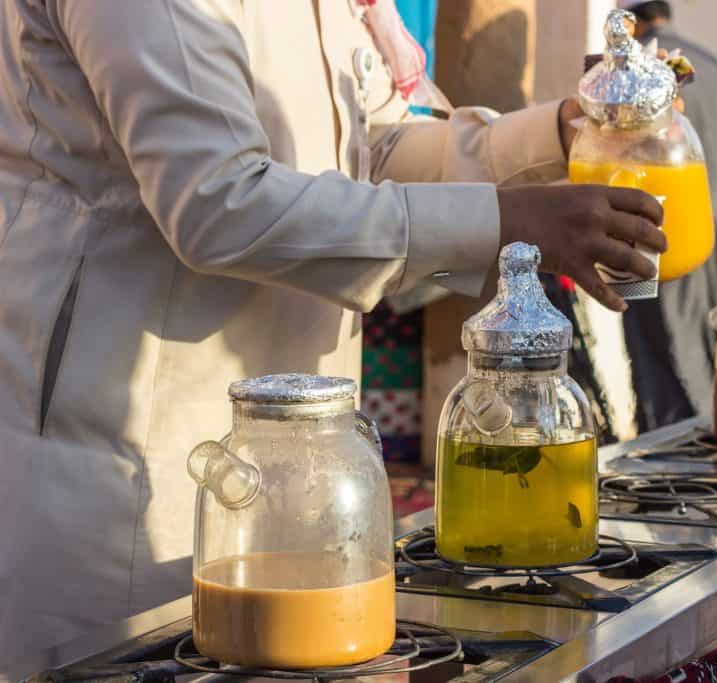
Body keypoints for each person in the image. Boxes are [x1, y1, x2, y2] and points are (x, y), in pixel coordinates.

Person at [0, 0, 666, 662]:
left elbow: (376, 149)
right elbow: (217, 202)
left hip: (293, 453)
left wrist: (556, 139)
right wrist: (503, 221)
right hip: (126, 470)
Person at [617, 0, 717, 428]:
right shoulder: (711, 63)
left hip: (664, 219)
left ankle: (674, 435)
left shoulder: (647, 68)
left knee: (665, 338)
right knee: (711, 328)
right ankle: (716, 421)